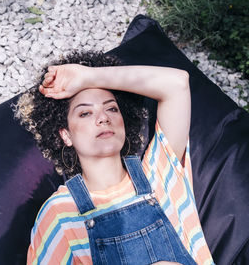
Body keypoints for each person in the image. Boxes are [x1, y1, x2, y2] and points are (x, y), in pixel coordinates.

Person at [14, 51, 214, 265]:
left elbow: (176, 84)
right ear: (66, 135)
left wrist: (88, 77)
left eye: (111, 108)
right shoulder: (60, 213)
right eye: (85, 113)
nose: (103, 118)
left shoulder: (159, 173)